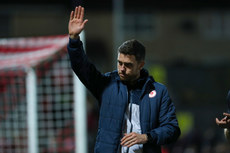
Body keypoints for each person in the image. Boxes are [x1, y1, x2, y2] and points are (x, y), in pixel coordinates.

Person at [67, 6, 181, 153]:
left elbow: (172, 129)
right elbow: (82, 68)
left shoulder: (158, 92)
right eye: (119, 63)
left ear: (140, 65)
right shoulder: (107, 84)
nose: (121, 68)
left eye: (127, 65)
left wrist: (146, 137)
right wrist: (74, 40)